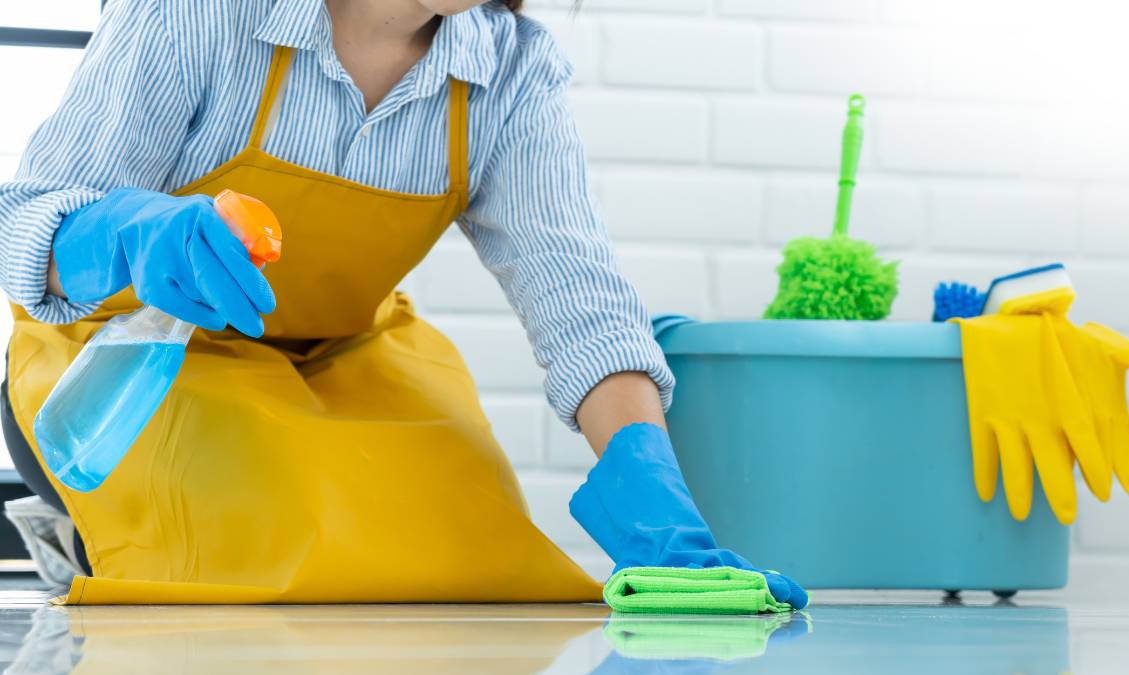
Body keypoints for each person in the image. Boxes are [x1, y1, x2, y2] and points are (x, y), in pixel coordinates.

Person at [0, 0, 805, 606]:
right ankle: (80, 535)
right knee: (287, 549)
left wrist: (652, 491)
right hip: (133, 359)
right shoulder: (201, 12)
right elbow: (19, 219)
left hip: (342, 362)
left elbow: (578, 294)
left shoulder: (510, 69)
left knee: (476, 568)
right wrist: (125, 234)